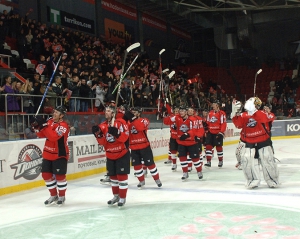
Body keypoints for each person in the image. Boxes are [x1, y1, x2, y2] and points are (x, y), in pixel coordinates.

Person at [232, 97, 279, 189]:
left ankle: (272, 180)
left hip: (263, 141)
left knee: (267, 160)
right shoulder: (243, 115)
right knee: (248, 162)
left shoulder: (262, 113)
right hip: (249, 142)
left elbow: (269, 117)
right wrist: (234, 114)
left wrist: (254, 113)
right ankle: (252, 180)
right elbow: (238, 125)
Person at [30, 106, 70, 205]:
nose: (54, 114)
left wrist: (44, 126)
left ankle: (61, 196)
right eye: (54, 112)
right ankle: (53, 195)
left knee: (60, 176)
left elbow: (53, 137)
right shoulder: (50, 121)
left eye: (57, 113)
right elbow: (41, 135)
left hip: (59, 154)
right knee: (46, 175)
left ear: (62, 115)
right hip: (48, 153)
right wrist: (36, 126)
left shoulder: (64, 126)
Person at [92, 106, 130, 208]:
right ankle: (116, 196)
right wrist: (98, 134)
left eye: (109, 111)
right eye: (106, 111)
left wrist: (117, 133)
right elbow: (103, 142)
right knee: (113, 177)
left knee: (122, 177)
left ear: (113, 113)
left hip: (122, 153)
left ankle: (122, 197)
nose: (106, 112)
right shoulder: (103, 125)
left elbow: (125, 137)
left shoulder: (121, 122)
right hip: (110, 155)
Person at [124, 107, 162, 189]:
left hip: (144, 146)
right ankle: (141, 181)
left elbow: (140, 127)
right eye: (131, 113)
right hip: (134, 148)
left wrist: (133, 119)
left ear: (139, 113)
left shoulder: (144, 120)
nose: (133, 114)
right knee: (137, 166)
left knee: (150, 164)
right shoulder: (128, 122)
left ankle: (157, 179)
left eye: (134, 112)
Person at [164, 106, 202, 181]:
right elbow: (167, 122)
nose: (180, 112)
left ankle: (199, 171)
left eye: (182, 111)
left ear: (186, 112)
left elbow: (194, 130)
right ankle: (185, 172)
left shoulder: (192, 119)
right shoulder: (177, 118)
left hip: (191, 142)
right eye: (180, 111)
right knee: (182, 158)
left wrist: (187, 135)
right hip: (181, 143)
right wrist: (165, 115)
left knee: (195, 159)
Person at [204, 100, 227, 168]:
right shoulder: (210, 113)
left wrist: (221, 132)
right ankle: (208, 161)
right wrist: (206, 129)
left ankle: (220, 160)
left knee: (218, 147)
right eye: (213, 104)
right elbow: (207, 123)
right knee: (208, 146)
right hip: (210, 133)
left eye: (214, 104)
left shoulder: (222, 113)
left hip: (218, 133)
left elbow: (223, 124)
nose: (213, 106)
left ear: (218, 105)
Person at [163, 105, 179, 171]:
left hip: (181, 138)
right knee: (172, 151)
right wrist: (164, 115)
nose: (176, 112)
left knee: (184, 153)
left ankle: (188, 165)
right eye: (175, 111)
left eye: (177, 111)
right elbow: (166, 122)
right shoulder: (172, 117)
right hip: (173, 137)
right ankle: (174, 164)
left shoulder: (181, 118)